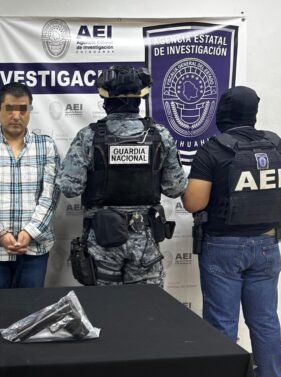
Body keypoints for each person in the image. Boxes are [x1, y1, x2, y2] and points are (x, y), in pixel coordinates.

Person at [181, 85, 281, 377]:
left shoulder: (213, 150)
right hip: (267, 246)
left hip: (223, 247)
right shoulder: (279, 146)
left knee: (222, 324)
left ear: (221, 114)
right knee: (266, 320)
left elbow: (194, 203)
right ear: (253, 113)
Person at [56, 66, 186, 286]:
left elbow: (70, 188)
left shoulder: (88, 136)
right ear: (140, 99)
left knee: (106, 306)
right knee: (148, 306)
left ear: (105, 100)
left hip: (103, 241)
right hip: (144, 241)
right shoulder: (160, 135)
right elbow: (175, 188)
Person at [0, 82, 60, 289]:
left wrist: (30, 232)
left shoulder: (46, 146)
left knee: (32, 306)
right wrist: (1, 234)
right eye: (9, 109)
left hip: (35, 248)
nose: (16, 116)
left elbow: (50, 196)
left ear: (30, 111)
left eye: (23, 109)